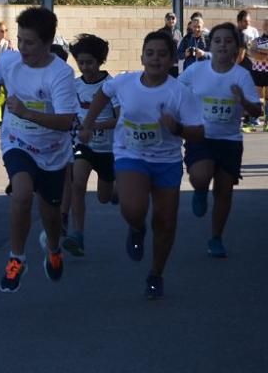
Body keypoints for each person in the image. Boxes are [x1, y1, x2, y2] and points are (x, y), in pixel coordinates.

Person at [80, 31, 203, 300]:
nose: (155, 59)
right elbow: (102, 93)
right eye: (150, 53)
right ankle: (136, 228)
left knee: (166, 221)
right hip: (130, 154)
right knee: (133, 208)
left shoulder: (180, 93)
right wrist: (88, 123)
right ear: (142, 56)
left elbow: (198, 132)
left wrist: (178, 128)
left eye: (162, 54)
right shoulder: (125, 82)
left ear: (172, 59)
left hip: (166, 161)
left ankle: (156, 273)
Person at [0, 7, 78, 293]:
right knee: (21, 193)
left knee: (51, 215)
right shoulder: (9, 61)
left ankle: (54, 250)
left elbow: (67, 121)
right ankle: (16, 258)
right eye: (20, 40)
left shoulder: (61, 74)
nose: (23, 48)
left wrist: (28, 113)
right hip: (17, 142)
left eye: (30, 42)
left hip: (52, 151)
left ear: (47, 42)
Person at [179, 23, 261, 258]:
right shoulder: (196, 71)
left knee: (224, 193)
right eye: (218, 40)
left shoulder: (242, 75)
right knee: (200, 175)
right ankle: (200, 190)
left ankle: (216, 238)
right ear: (210, 45)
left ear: (236, 46)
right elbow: (176, 91)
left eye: (228, 40)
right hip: (200, 136)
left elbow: (257, 112)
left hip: (229, 140)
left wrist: (242, 100)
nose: (223, 44)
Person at [62, 34, 118, 257]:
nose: (85, 67)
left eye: (89, 62)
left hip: (107, 149)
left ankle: (114, 191)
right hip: (83, 146)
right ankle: (78, 234)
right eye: (81, 62)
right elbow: (71, 113)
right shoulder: (75, 86)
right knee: (77, 184)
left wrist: (94, 125)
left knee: (104, 198)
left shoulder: (111, 85)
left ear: (100, 61)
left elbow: (120, 119)